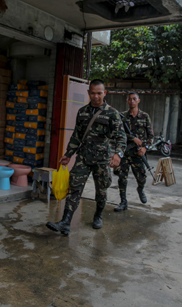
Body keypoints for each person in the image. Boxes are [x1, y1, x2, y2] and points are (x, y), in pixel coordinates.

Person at [45, 79, 126, 235]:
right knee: (74, 188)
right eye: (93, 93)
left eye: (99, 93)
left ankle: (98, 215)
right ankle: (65, 223)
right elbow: (76, 135)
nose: (96, 96)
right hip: (83, 157)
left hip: (102, 159)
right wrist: (68, 154)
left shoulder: (112, 113)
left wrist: (118, 154)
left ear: (105, 93)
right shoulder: (82, 112)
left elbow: (121, 137)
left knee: (101, 190)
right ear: (88, 93)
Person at [113, 92, 154, 211]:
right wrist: (132, 138)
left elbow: (151, 136)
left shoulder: (145, 116)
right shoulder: (122, 116)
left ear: (138, 101)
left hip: (138, 154)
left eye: (134, 99)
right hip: (125, 152)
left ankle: (140, 189)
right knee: (122, 177)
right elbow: (118, 132)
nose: (132, 101)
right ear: (127, 101)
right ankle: (123, 202)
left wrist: (145, 147)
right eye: (130, 99)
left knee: (141, 178)